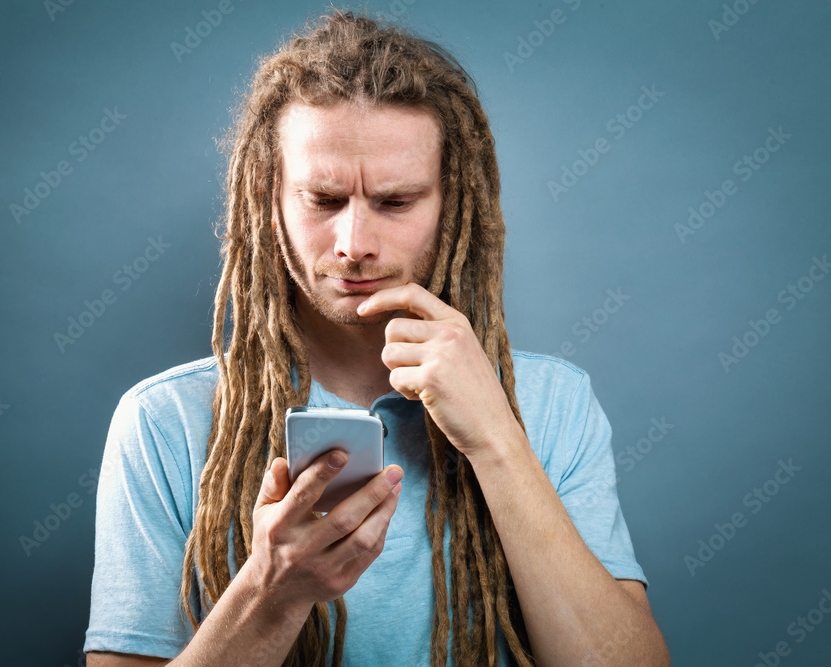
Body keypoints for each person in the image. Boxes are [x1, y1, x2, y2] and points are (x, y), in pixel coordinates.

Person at [84, 9, 669, 667]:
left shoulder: (556, 403)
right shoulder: (163, 423)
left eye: (395, 202)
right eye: (323, 199)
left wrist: (498, 440)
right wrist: (273, 592)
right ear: (266, 195)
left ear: (451, 203)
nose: (355, 244)